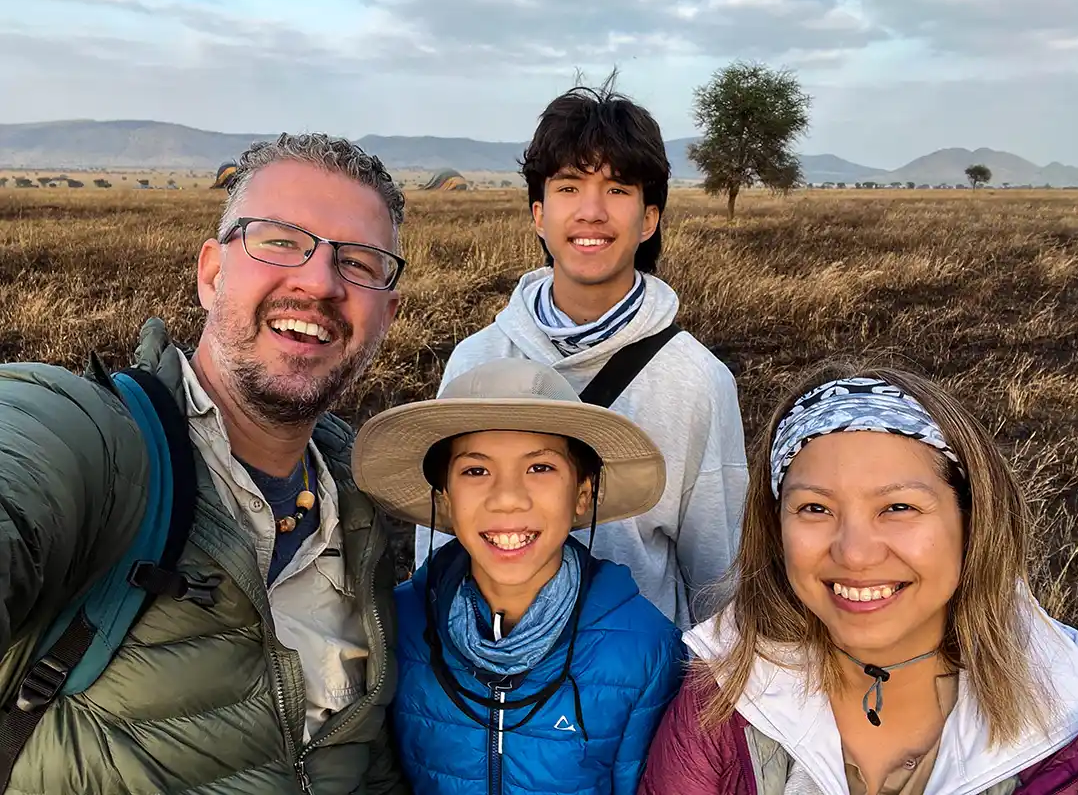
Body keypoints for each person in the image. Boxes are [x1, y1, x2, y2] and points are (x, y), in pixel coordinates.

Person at [0, 134, 411, 794]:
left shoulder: (360, 512)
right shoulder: (94, 442)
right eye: (280, 241)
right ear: (212, 273)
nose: (319, 282)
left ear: (386, 315)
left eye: (358, 262)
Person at [638, 361, 1078, 794]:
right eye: (815, 508)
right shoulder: (721, 698)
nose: (854, 554)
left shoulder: (1077, 737)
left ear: (973, 522)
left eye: (898, 507)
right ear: (775, 530)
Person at [415, 79, 748, 631]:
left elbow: (718, 575)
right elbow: (439, 545)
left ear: (649, 219)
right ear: (538, 214)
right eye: (569, 187)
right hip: (487, 670)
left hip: (638, 673)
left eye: (617, 189)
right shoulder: (476, 361)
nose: (591, 212)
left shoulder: (696, 380)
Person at [354, 357, 687, 794]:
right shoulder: (395, 627)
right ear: (445, 501)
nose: (508, 498)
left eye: (540, 468)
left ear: (583, 493)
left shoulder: (645, 649)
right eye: (476, 471)